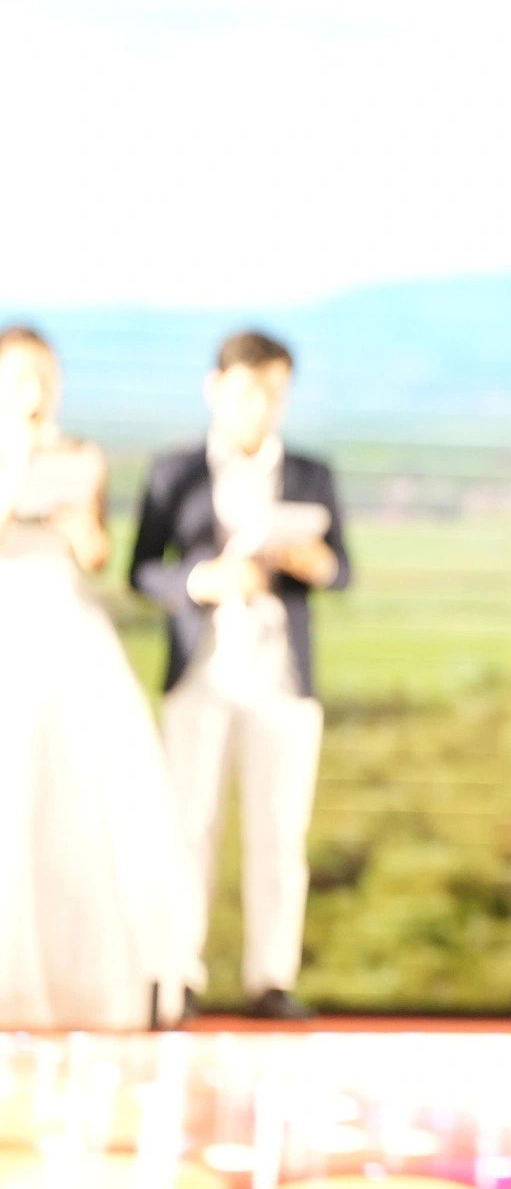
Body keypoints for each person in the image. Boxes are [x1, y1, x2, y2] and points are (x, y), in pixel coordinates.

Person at [129, 330, 351, 1022]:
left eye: (276, 390)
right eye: (251, 388)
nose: (263, 404)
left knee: (280, 834)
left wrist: (314, 564)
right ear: (217, 389)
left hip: (282, 675)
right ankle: (177, 974)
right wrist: (203, 579)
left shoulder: (312, 475)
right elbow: (143, 569)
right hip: (202, 669)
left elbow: (341, 567)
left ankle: (270, 978)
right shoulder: (175, 472)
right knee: (187, 829)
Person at [0, 326, 190, 1029]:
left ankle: (83, 979)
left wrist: (81, 529)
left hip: (68, 624)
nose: (35, 387)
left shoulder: (80, 455)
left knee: (87, 793)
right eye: (21, 374)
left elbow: (98, 552)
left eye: (46, 374)